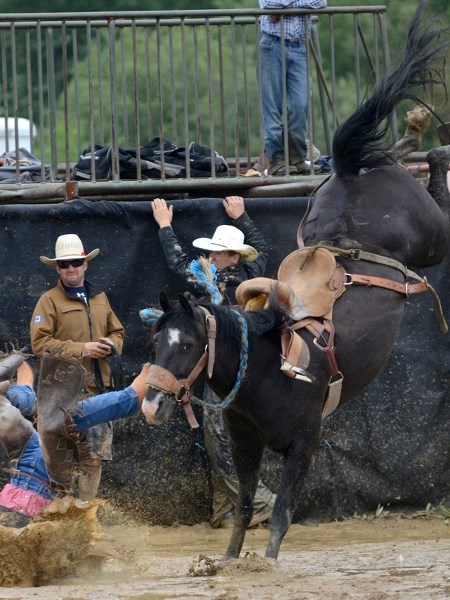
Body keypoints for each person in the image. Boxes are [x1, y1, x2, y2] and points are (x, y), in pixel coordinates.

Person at [150, 195, 276, 528]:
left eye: (218, 252)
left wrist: (165, 227)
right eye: (213, 252)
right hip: (232, 370)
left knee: (220, 439)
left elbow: (178, 263)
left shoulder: (210, 279)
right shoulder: (250, 272)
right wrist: (243, 217)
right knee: (217, 438)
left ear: (233, 256)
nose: (212, 257)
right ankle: (225, 510)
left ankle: (263, 503)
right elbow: (262, 247)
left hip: (227, 373)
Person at [0, 352, 150, 527]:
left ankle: (26, 393)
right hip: (36, 489)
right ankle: (130, 399)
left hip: (25, 475)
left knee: (50, 421)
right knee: (57, 421)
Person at [29, 234, 125, 501]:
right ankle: (58, 516)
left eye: (76, 262)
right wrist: (82, 348)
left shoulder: (100, 298)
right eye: (64, 264)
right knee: (58, 464)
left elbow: (118, 332)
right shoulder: (48, 301)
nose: (71, 268)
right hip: (60, 396)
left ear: (85, 264)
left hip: (97, 392)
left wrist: (110, 343)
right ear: (57, 268)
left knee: (93, 459)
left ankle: (84, 514)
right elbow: (40, 344)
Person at [259, 0, 327, 175]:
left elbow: (321, 1)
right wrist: (299, 6)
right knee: (272, 106)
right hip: (273, 44)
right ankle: (277, 161)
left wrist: (285, 8)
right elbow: (269, 5)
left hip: (299, 47)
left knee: (300, 105)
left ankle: (297, 158)